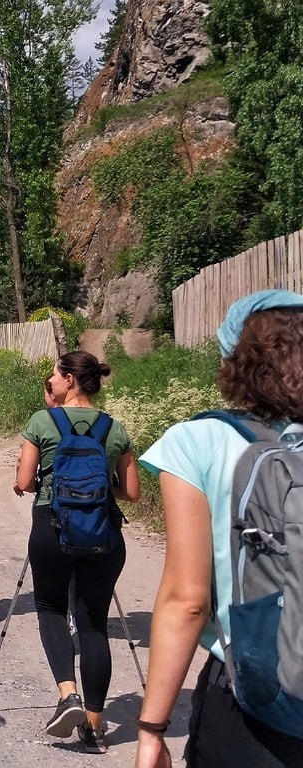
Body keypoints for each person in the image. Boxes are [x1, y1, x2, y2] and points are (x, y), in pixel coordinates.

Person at [133, 290, 303, 768]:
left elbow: (187, 601)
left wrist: (151, 730)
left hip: (255, 700)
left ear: (232, 358)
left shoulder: (200, 440)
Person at [14, 349, 140, 753]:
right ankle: (95, 728)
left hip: (51, 528)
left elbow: (26, 481)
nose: (51, 380)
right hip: (102, 532)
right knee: (93, 624)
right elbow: (131, 492)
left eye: (54, 374)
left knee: (50, 608)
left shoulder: (42, 421)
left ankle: (68, 695)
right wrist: (98, 487)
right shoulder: (114, 428)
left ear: (69, 379)